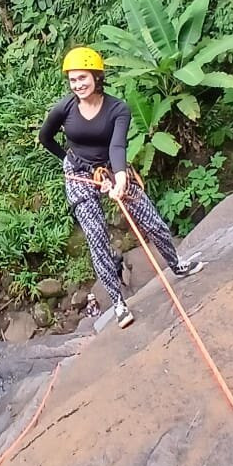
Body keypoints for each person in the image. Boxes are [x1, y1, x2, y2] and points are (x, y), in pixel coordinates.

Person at [39, 46, 203, 329]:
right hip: (79, 174)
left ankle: (176, 265)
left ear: (97, 77)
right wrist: (68, 160)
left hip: (112, 168)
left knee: (150, 220)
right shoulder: (63, 108)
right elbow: (46, 137)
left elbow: (117, 146)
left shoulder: (118, 109)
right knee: (96, 236)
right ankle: (117, 302)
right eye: (73, 79)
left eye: (83, 78)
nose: (78, 85)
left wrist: (120, 178)